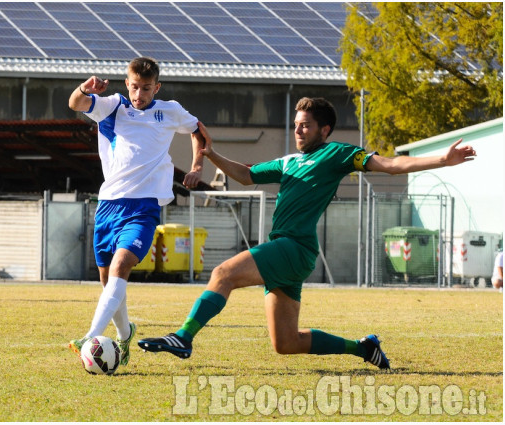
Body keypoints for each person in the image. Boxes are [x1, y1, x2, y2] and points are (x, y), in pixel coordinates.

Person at [138, 97, 477, 369]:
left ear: (324, 129)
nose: (298, 131)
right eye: (297, 125)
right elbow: (245, 175)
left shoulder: (338, 153)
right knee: (286, 344)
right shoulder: (288, 162)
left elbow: (390, 165)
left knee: (222, 273)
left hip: (294, 246)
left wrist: (441, 160)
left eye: (306, 126)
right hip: (290, 252)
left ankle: (183, 337)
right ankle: (362, 348)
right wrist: (212, 154)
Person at [67, 57, 206, 366]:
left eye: (146, 88)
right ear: (126, 84)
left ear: (156, 87)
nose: (139, 94)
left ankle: (90, 335)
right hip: (108, 205)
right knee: (108, 283)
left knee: (120, 267)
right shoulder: (112, 106)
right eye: (134, 87)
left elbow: (199, 131)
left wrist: (197, 167)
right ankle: (125, 333)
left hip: (143, 207)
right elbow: (76, 103)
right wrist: (84, 88)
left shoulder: (169, 111)